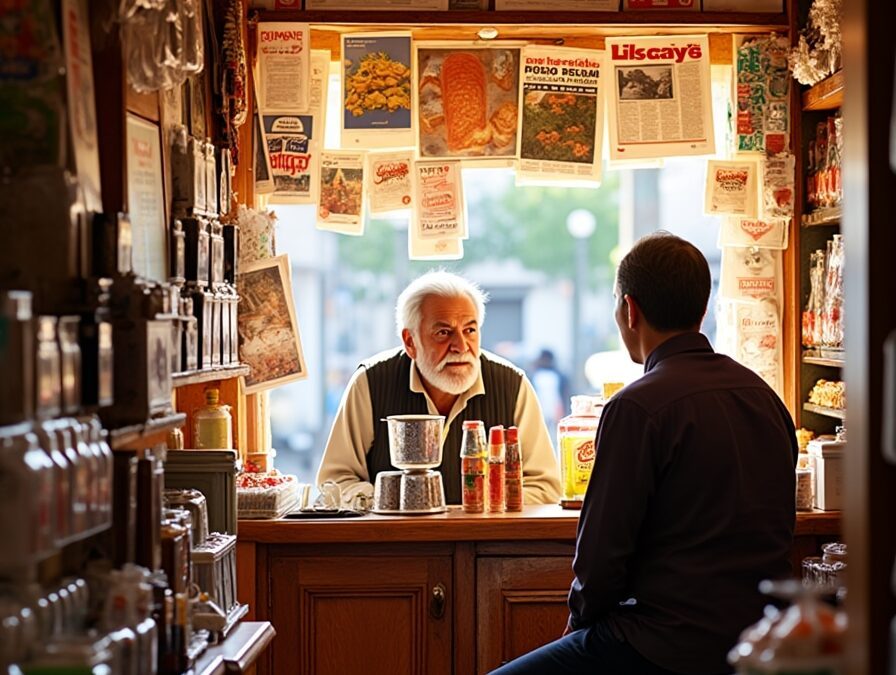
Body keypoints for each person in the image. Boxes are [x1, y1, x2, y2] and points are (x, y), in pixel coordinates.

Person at [490, 232, 797, 675]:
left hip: (659, 645)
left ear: (629, 310)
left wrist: (576, 633)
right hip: (761, 638)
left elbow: (599, 565)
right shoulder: (764, 397)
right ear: (701, 311)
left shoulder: (636, 407)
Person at [317, 270, 561, 506]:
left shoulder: (512, 385)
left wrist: (485, 501)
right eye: (444, 332)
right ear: (410, 342)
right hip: (394, 543)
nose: (461, 346)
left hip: (489, 544)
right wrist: (389, 501)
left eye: (470, 330)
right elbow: (335, 481)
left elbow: (545, 486)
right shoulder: (370, 383)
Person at [529, 349, 570, 437]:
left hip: (555, 409)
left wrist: (563, 410)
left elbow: (563, 394)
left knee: (555, 435)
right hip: (540, 408)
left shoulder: (559, 376)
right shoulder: (534, 375)